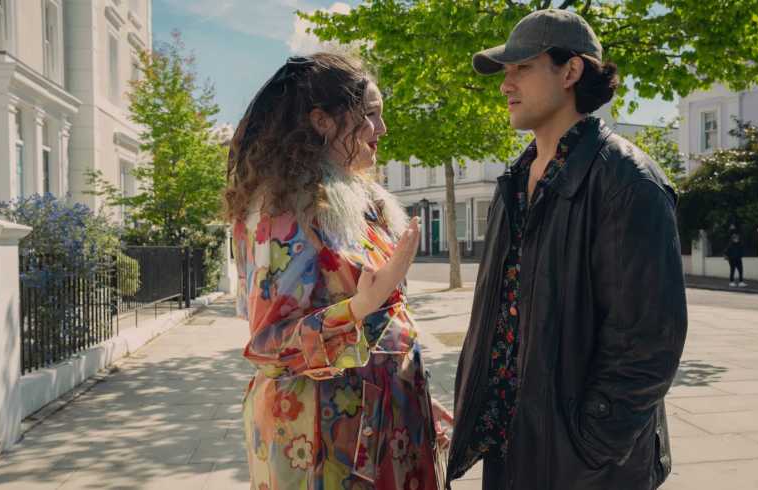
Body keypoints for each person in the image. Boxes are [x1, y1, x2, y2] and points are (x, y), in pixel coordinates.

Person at [446, 9, 688, 490]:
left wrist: (590, 447)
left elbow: (648, 343)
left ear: (571, 71)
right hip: (510, 449)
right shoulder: (513, 182)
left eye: (522, 67)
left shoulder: (627, 181)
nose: (505, 84)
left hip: (583, 467)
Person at [225, 53, 452, 490]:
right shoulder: (284, 213)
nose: (382, 129)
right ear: (323, 121)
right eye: (371, 115)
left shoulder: (357, 200)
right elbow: (270, 346)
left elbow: (386, 322)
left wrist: (415, 396)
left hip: (382, 422)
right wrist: (361, 306)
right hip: (322, 444)